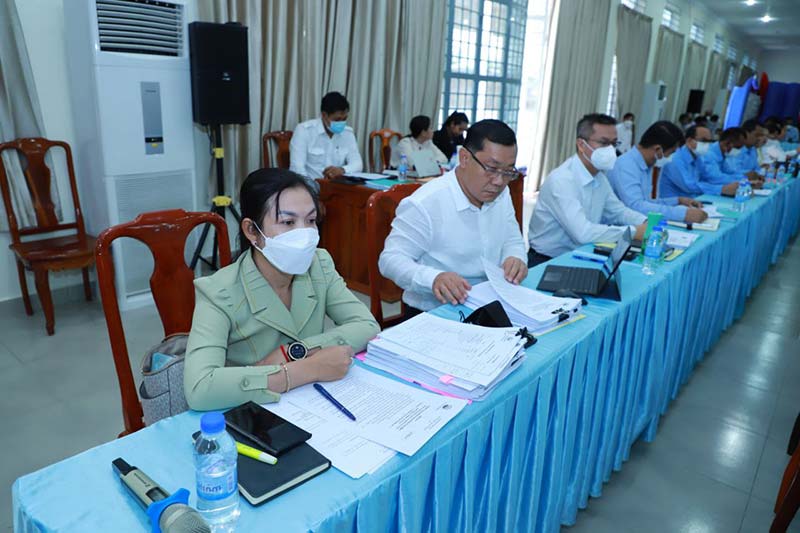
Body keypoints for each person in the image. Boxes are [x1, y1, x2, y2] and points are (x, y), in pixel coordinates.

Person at [184, 169, 380, 410]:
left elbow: (367, 326)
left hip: (314, 402)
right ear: (252, 231)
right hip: (253, 409)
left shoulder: (319, 264)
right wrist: (308, 369)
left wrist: (292, 352)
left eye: (311, 221)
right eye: (288, 222)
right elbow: (199, 389)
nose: (304, 234)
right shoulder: (218, 291)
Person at [380, 119, 527, 314]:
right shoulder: (425, 203)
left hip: (490, 301)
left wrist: (515, 257)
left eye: (508, 171)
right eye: (491, 169)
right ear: (464, 158)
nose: (499, 181)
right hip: (436, 310)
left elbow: (512, 239)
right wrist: (433, 278)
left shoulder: (502, 193)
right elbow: (390, 260)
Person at [527, 113, 646, 265]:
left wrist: (646, 222)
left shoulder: (599, 177)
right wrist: (634, 232)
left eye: (613, 143)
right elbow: (583, 233)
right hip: (546, 261)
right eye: (604, 143)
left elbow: (618, 211)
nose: (610, 150)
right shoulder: (562, 180)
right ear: (581, 145)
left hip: (581, 254)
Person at [607, 121, 707, 224]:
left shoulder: (646, 165)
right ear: (658, 149)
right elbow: (636, 206)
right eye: (671, 152)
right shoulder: (626, 165)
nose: (671, 158)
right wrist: (683, 214)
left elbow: (648, 203)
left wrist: (678, 201)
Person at [290, 91, 363, 187]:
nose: (341, 123)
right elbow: (297, 169)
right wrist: (312, 189)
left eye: (344, 119)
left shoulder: (348, 133)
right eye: (337, 119)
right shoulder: (304, 131)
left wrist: (342, 170)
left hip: (338, 188)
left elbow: (358, 164)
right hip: (311, 187)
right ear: (324, 115)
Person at [659, 126, 739, 198]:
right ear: (689, 141)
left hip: (693, 200)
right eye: (703, 140)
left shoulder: (698, 157)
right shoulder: (675, 159)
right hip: (675, 204)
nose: (707, 144)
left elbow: (710, 176)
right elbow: (689, 186)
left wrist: (739, 182)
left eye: (709, 141)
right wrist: (722, 189)